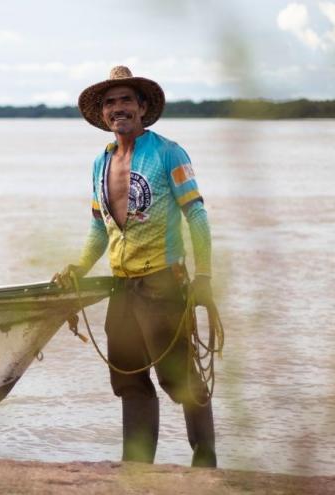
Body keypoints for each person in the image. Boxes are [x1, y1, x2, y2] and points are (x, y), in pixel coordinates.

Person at [52, 66, 217, 467]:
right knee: (128, 379)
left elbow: (196, 215)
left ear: (143, 107)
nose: (118, 108)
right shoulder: (99, 164)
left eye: (126, 100)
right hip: (121, 287)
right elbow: (98, 228)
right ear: (103, 115)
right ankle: (137, 464)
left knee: (178, 377)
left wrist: (205, 277)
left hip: (163, 282)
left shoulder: (167, 152)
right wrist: (79, 266)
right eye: (110, 103)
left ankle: (206, 460)